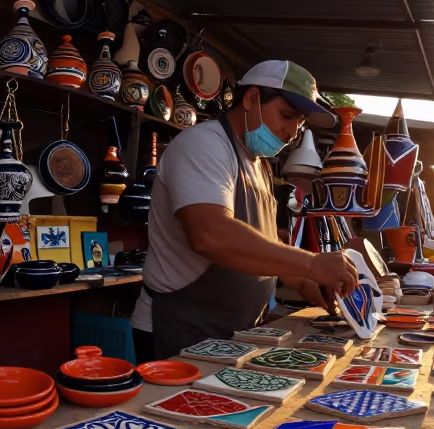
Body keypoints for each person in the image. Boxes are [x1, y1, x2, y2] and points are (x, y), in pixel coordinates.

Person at [131, 60, 359, 362]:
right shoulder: (203, 145)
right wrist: (310, 263)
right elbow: (210, 235)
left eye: (300, 122)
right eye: (287, 115)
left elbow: (261, 241)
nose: (292, 131)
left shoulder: (259, 164)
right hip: (183, 328)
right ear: (251, 99)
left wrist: (306, 283)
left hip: (237, 332)